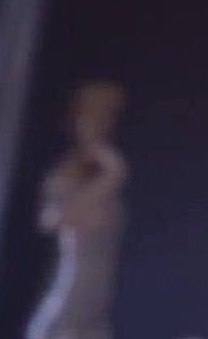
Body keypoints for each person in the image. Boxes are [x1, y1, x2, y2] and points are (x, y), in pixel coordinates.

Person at [25, 82, 128, 339]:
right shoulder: (66, 173)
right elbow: (52, 220)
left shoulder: (109, 168)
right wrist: (110, 179)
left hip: (94, 312)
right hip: (65, 309)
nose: (99, 122)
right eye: (91, 113)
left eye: (108, 113)